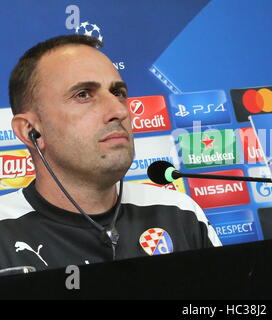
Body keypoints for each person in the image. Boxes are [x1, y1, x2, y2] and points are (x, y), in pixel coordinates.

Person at [0, 34, 221, 272]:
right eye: (83, 94)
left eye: (118, 93)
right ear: (32, 131)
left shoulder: (179, 213)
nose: (119, 110)